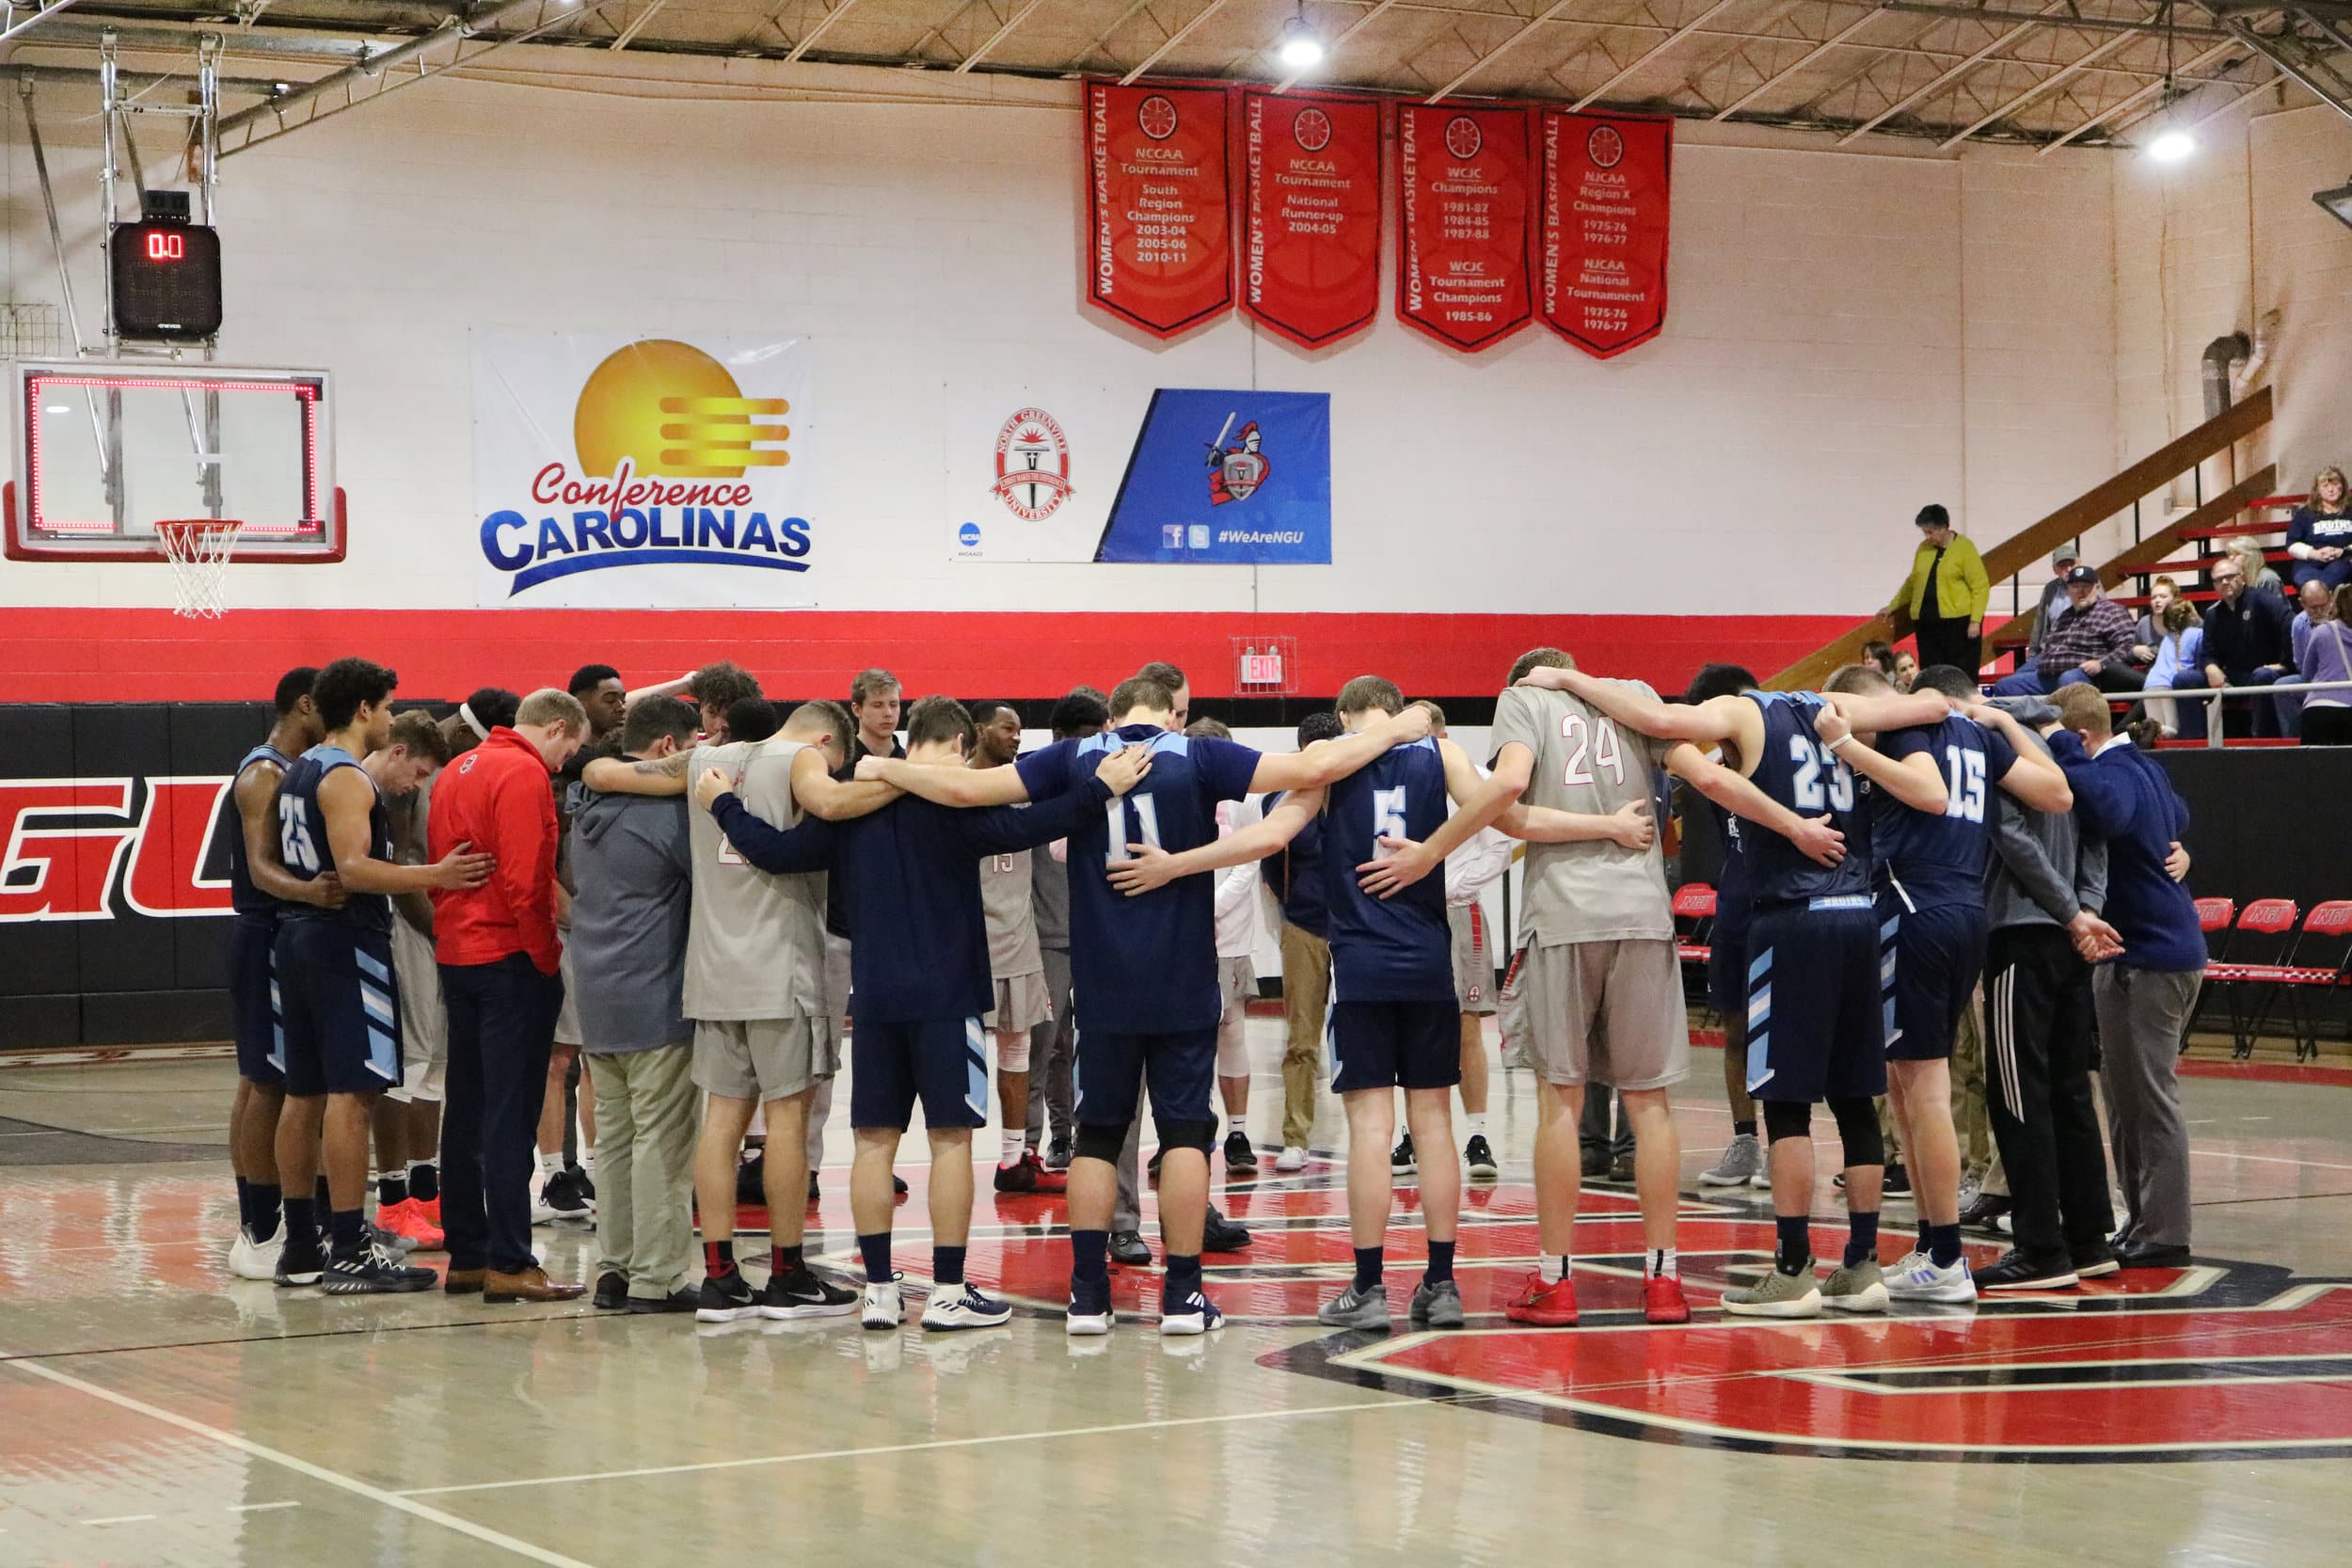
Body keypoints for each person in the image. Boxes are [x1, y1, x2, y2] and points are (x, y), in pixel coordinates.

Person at [863, 673, 1434, 1338]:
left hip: (1102, 981)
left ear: (1113, 710)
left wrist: (882, 766)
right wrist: (1396, 727)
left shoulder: (1075, 758)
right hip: (1182, 977)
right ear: (1174, 711)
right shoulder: (1197, 754)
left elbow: (962, 788)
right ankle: (1184, 1296)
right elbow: (1315, 764)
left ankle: (1086, 1295)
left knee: (1098, 1137)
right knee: (1186, 1134)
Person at [1363, 652, 1873, 1325]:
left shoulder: (1525, 700)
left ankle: (1555, 1280)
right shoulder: (1631, 695)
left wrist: (1430, 851)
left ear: (1526, 676)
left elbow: (1510, 791)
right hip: (1642, 916)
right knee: (1651, 1106)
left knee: (1559, 1105)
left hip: (1566, 916)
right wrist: (1794, 825)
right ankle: (1663, 1282)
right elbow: (1711, 779)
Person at [1529, 667, 1949, 1317]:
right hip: (1859, 914)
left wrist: (1571, 677)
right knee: (1855, 1098)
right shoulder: (1839, 704)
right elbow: (1930, 701)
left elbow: (1663, 722)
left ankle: (1792, 1269)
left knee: (1785, 1103)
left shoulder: (1745, 713)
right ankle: (1863, 1264)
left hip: (1794, 915)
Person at [718, 696, 1146, 1332]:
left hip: (878, 999)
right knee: (950, 1141)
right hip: (947, 1000)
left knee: (872, 1144)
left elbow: (775, 852)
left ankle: (882, 1292)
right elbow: (1032, 826)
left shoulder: (849, 805)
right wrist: (1099, 789)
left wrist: (719, 801)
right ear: (956, 746)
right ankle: (947, 1290)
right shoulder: (953, 805)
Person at [581, 697, 895, 1321]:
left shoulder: (703, 759)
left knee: (720, 1123)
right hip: (781, 968)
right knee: (786, 1122)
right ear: (830, 737)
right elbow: (828, 804)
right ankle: (786, 1272)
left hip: (712, 970)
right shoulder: (804, 758)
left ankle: (720, 1275)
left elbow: (603, 772)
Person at [1820, 662, 2073, 1304]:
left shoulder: (1908, 730)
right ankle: (1935, 1248)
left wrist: (1848, 746)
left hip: (1914, 904)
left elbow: (1930, 795)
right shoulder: (1976, 734)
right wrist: (2009, 723)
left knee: (1925, 1087)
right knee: (1909, 1080)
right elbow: (2058, 794)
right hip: (1965, 908)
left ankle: (1948, 1255)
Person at [272, 659, 486, 1292]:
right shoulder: (343, 776)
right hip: (342, 943)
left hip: (302, 937)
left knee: (304, 1092)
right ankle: (346, 1246)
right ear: (365, 710)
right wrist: (436, 876)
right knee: (351, 1095)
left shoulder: (299, 768)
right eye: (389, 706)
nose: (394, 716)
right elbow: (354, 868)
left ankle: (303, 1244)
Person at [428, 688, 590, 1304]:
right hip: (509, 961)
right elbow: (527, 883)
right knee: (508, 1114)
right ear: (555, 727)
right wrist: (545, 960)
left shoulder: (453, 770)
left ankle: (467, 1255)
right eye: (567, 750)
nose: (561, 764)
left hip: (458, 956)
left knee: (465, 1108)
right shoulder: (522, 772)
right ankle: (511, 1260)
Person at [2046, 684, 2206, 1269]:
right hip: (2141, 953)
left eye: (2065, 742)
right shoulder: (2143, 768)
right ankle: (2142, 1219)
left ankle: (2165, 1230)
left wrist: (2060, 748)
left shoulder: (2113, 769)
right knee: (2123, 1095)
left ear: (2082, 735)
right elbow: (2179, 813)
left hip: (2153, 957)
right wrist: (2178, 843)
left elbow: (2107, 808)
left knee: (2149, 1096)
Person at [1975, 689, 2122, 1289]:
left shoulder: (1999, 752)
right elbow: (2097, 837)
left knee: (2017, 1091)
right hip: (2069, 939)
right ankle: (2089, 1239)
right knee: (2069, 1090)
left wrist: (2069, 912)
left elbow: (2012, 839)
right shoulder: (2071, 752)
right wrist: (2086, 908)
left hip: (2023, 935)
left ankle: (2040, 1247)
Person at [571, 696, 702, 1313]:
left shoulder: (586, 808)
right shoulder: (670, 819)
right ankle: (659, 1276)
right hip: (655, 994)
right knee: (662, 1141)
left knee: (615, 1140)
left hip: (597, 995)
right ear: (669, 749)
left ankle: (615, 1269)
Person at [221, 667, 341, 1280]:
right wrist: (313, 892)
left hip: (277, 930)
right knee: (268, 1083)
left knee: (265, 1080)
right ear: (304, 705)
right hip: (267, 926)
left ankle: (294, 1222)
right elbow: (265, 869)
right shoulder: (265, 772)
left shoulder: (296, 768)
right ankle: (262, 1228)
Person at [1395, 700, 1510, 1180]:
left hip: (1460, 911)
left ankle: (1478, 1134)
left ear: (1444, 737)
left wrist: (1450, 886)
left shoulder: (1476, 779)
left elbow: (1501, 845)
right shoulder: (1400, 778)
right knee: (1410, 1025)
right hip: (1409, 912)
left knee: (1467, 1025)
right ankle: (1410, 1134)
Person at [967, 701, 1064, 1195]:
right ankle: (952, 1158)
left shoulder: (1026, 788)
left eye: (1022, 729)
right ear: (980, 730)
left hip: (1018, 938)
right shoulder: (954, 785)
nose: (1017, 736)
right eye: (1009, 727)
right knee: (957, 1059)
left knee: (1018, 1050)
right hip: (966, 941)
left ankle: (1014, 1159)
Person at [1025, 688, 1110, 1168]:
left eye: (1097, 736)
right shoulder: (1034, 780)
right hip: (1048, 937)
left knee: (1098, 1046)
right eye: (1081, 737)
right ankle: (1035, 1144)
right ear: (1058, 737)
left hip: (1099, 934)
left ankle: (1079, 1135)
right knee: (1045, 1046)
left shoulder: (1112, 780)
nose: (1090, 747)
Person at [1184, 717, 1265, 1172]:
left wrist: (1208, 908)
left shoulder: (1246, 799)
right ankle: (1188, 1128)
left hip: (1228, 932)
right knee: (1185, 1035)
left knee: (1231, 1029)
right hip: (1182, 933)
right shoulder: (1175, 791)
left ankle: (1237, 1131)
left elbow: (1248, 861)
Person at [1263, 711, 1343, 1172]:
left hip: (1357, 926)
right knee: (1301, 1038)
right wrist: (1292, 909)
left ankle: (1390, 1137)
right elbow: (1271, 865)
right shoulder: (1284, 799)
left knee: (1364, 1035)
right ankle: (1296, 1136)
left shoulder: (1359, 796)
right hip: (1305, 924)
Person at [1993, 567, 2137, 697]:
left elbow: (2127, 647)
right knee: (2005, 685)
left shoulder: (2112, 611)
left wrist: (2100, 663)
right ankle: (2029, 724)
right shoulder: (2065, 616)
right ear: (2068, 590)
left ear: (2096, 588)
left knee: (2067, 679)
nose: (2081, 591)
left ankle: (2067, 725)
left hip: (2086, 676)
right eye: (2075, 586)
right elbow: (2049, 648)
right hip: (2049, 674)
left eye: (2086, 586)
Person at [2200, 555, 2295, 737]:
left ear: (2242, 577)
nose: (2225, 582)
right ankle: (2193, 742)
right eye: (2219, 580)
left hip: (2266, 672)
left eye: (2230, 576)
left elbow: (2290, 625)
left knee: (2262, 675)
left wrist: (2284, 664)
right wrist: (2211, 667)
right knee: (2185, 680)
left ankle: (2263, 740)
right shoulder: (2213, 614)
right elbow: (2207, 653)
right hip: (2233, 676)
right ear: (2214, 585)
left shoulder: (2262, 600)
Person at [1893, 504, 1989, 675]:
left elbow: (1980, 586)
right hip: (1927, 623)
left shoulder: (1965, 548)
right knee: (1932, 674)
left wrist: (1975, 620)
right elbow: (1912, 582)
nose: (1927, 537)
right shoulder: (1923, 549)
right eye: (1925, 532)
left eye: (1931, 532)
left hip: (1958, 623)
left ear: (1944, 528)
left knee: (1959, 673)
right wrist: (1892, 606)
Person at [2274, 577, 2341, 736]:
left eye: (2323, 605)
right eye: (2312, 607)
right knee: (2282, 687)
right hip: (2313, 680)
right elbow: (2300, 662)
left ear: (2331, 597)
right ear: (2302, 603)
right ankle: (2295, 741)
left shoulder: (2345, 619)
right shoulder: (2298, 623)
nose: (2319, 611)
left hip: (2342, 679)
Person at [2142, 597, 2207, 739]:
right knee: (2172, 734)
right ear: (2191, 615)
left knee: (2156, 736)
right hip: (2169, 685)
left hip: (2150, 685)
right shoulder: (2198, 634)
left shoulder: (2167, 637)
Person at [2299, 582, 2352, 745]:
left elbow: (2307, 674)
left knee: (2313, 767)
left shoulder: (2322, 631)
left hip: (2318, 707)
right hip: (2349, 709)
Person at [2286, 464, 2352, 592]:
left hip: (2343, 560)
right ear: (2318, 490)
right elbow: (2292, 544)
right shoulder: (2305, 514)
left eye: (2335, 484)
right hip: (2310, 561)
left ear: (2342, 487)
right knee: (2305, 578)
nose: (2331, 490)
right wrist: (2315, 554)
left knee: (2336, 574)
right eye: (2325, 486)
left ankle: (2324, 604)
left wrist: (2343, 551)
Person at [2021, 542, 2081, 674]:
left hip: (2077, 653)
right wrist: (2032, 656)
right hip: (2048, 653)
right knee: (2012, 682)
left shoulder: (2091, 585)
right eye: (2063, 566)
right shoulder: (2050, 589)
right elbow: (2039, 623)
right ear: (2055, 569)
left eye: (2072, 564)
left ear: (2079, 564)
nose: (2068, 569)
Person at [568, 664, 628, 744]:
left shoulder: (630, 751)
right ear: (580, 704)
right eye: (610, 699)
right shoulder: (565, 754)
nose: (622, 708)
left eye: (623, 700)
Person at [2132, 577, 2181, 667]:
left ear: (2175, 599)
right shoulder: (2144, 623)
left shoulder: (2187, 621)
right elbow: (2127, 651)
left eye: (2163, 597)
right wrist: (2135, 651)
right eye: (2153, 597)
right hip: (2151, 674)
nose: (2157, 601)